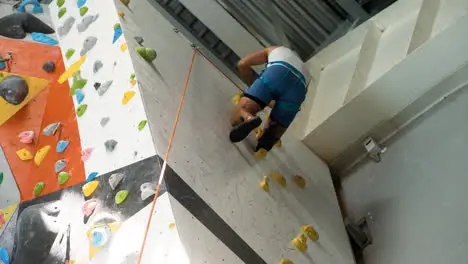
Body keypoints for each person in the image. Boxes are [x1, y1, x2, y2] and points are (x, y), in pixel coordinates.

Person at [230, 46, 309, 157]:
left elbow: (242, 64)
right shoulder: (307, 72)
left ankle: (248, 118)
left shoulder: (275, 49)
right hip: (299, 89)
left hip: (277, 72)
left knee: (237, 117)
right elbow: (282, 100)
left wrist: (253, 88)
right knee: (272, 135)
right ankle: (265, 144)